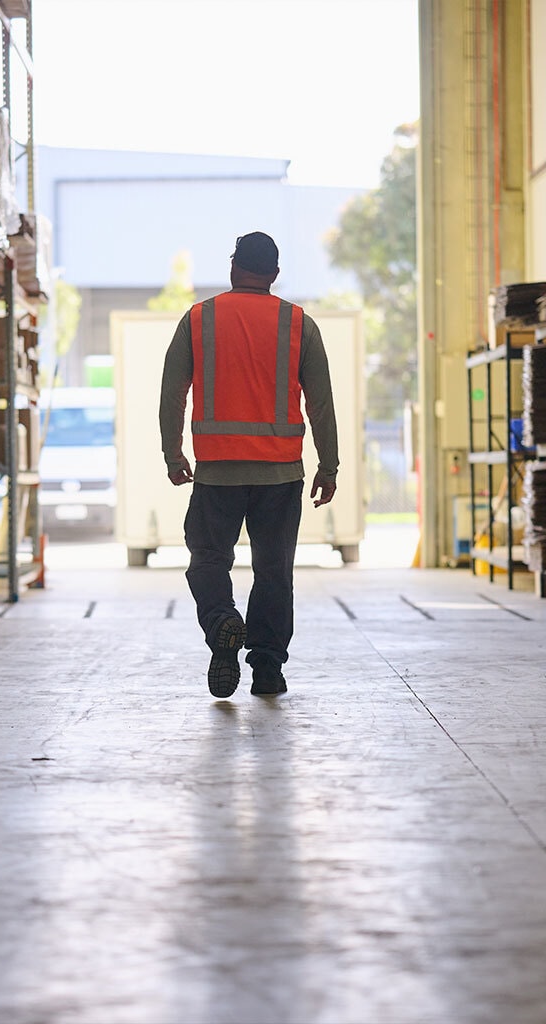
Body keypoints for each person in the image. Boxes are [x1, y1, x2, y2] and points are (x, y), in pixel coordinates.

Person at [160, 231, 338, 699]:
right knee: (274, 571)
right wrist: (329, 466)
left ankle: (223, 621)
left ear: (233, 266)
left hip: (217, 473)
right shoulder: (299, 323)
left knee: (207, 562)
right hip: (280, 475)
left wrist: (173, 453)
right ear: (275, 275)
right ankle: (267, 670)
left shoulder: (199, 319)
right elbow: (321, 403)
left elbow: (171, 392)